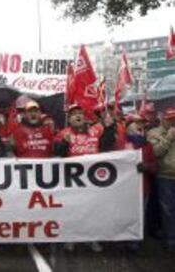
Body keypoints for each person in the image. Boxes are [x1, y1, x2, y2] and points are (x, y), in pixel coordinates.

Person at [54, 104, 116, 253]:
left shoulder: (95, 130)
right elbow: (56, 153)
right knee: (72, 210)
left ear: (84, 116)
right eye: (73, 114)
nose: (77, 116)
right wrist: (64, 143)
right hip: (72, 181)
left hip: (92, 180)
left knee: (92, 210)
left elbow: (106, 147)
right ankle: (71, 239)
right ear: (69, 119)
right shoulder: (64, 133)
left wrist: (108, 128)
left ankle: (92, 238)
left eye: (80, 113)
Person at [122, 113, 157, 254]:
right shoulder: (120, 142)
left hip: (142, 188)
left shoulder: (147, 145)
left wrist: (147, 167)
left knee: (140, 216)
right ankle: (122, 240)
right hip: (123, 189)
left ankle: (135, 244)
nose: (140, 126)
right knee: (123, 214)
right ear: (128, 126)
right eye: (136, 122)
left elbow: (155, 167)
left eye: (142, 123)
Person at [147, 107, 175, 252]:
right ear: (163, 119)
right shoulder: (153, 133)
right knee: (168, 210)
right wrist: (169, 137)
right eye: (170, 119)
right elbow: (155, 152)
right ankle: (170, 240)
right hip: (166, 176)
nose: (172, 122)